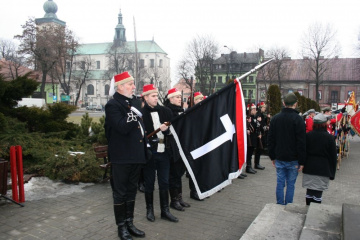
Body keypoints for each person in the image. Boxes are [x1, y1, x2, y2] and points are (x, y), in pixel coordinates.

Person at [104, 71, 147, 240]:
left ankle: (130, 222)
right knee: (120, 193)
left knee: (131, 191)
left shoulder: (130, 103)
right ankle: (121, 226)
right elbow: (122, 127)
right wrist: (136, 110)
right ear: (120, 86)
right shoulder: (113, 105)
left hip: (135, 155)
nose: (134, 87)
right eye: (130, 84)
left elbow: (140, 130)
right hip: (121, 157)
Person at [141, 84, 179, 223]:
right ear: (145, 97)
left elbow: (173, 132)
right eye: (153, 96)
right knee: (149, 183)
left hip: (164, 153)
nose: (156, 98)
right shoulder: (141, 115)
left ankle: (165, 211)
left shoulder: (165, 111)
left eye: (157, 96)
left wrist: (166, 130)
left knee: (164, 182)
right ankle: (149, 210)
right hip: (149, 154)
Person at [268, 92, 306, 205]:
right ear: (295, 104)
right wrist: (302, 161)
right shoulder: (298, 120)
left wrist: (272, 156)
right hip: (293, 158)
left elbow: (270, 139)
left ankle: (279, 204)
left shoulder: (275, 119)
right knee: (291, 184)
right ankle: (288, 205)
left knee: (280, 183)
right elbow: (301, 142)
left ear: (284, 103)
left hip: (279, 156)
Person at [164, 88, 191, 211]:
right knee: (173, 175)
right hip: (172, 148)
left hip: (181, 147)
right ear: (170, 99)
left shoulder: (180, 111)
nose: (180, 99)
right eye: (177, 97)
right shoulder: (167, 111)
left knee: (179, 173)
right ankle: (173, 200)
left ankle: (179, 198)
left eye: (180, 97)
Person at [302, 113, 337, 205]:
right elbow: (333, 156)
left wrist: (302, 164)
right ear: (324, 124)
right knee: (318, 193)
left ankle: (308, 209)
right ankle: (314, 213)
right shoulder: (329, 138)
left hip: (309, 167)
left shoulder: (308, 136)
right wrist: (332, 173)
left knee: (309, 191)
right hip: (323, 168)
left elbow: (303, 151)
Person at [246, 103, 260, 174]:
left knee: (251, 153)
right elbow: (250, 128)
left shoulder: (253, 117)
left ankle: (249, 166)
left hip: (253, 138)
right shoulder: (247, 117)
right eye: (253, 109)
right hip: (249, 139)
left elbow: (256, 127)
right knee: (248, 153)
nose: (255, 111)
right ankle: (248, 167)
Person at [254, 102, 268, 170]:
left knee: (259, 150)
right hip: (259, 134)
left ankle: (257, 163)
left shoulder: (261, 115)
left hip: (261, 133)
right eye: (264, 107)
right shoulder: (259, 115)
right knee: (258, 149)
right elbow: (259, 124)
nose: (265, 108)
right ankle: (256, 163)